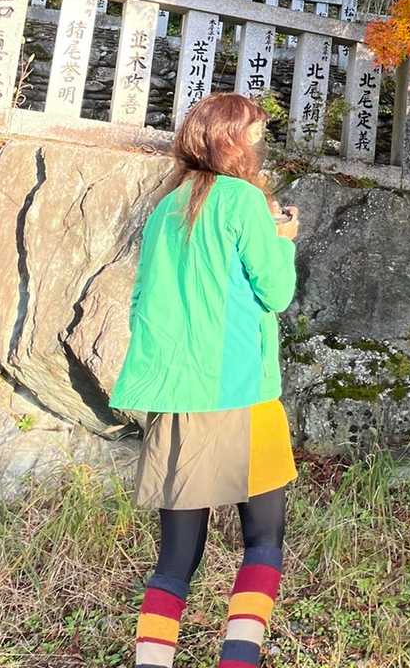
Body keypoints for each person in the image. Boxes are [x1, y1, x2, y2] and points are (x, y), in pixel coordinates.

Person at [110, 91, 300, 668]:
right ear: (233, 142)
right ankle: (238, 659)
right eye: (256, 136)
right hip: (244, 395)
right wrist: (283, 241)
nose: (261, 147)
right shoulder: (244, 200)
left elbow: (142, 301)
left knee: (174, 560)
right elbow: (276, 293)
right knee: (263, 541)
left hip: (176, 398)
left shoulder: (166, 208)